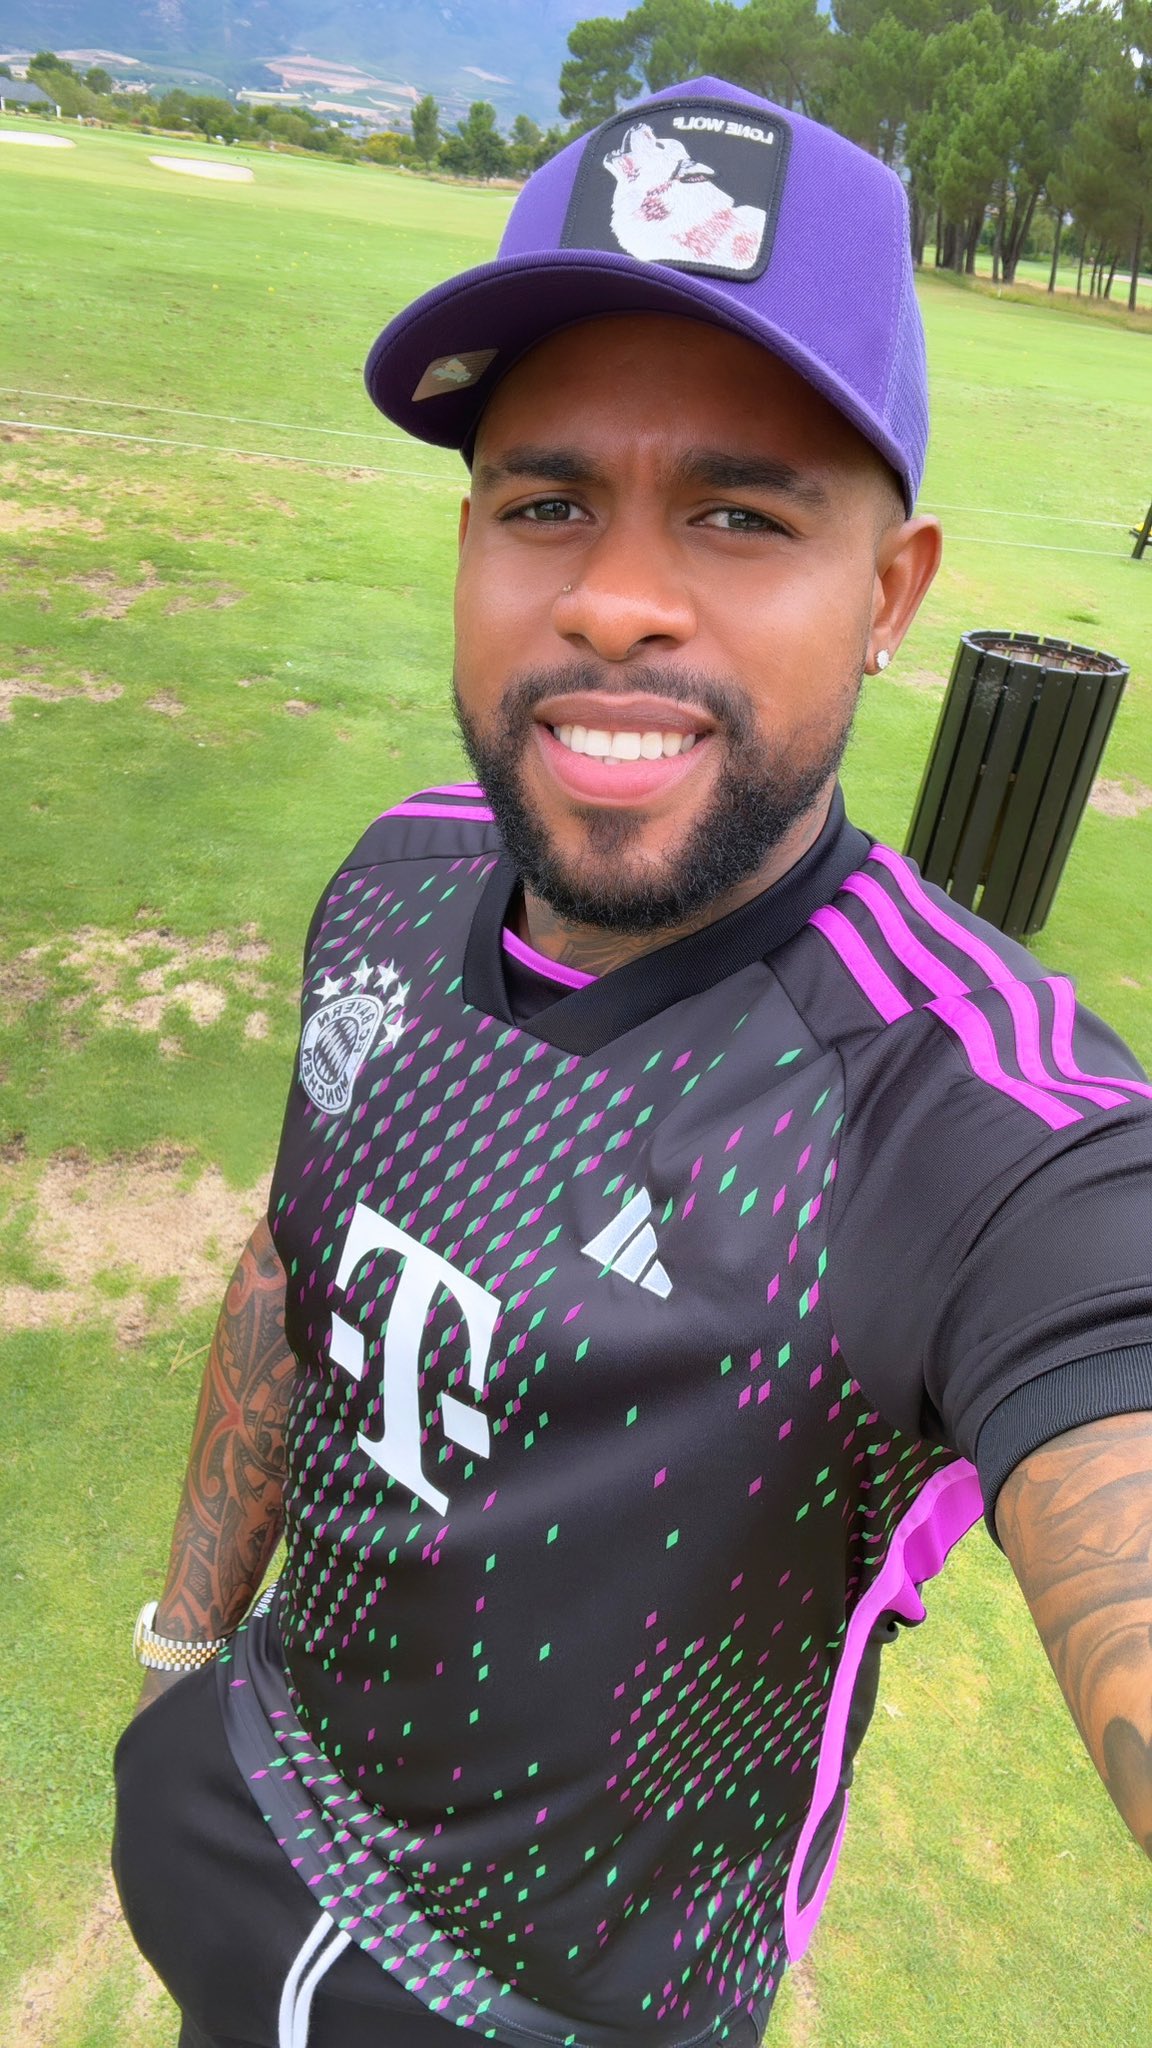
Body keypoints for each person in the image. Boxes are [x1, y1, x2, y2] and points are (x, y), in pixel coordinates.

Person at [113, 76, 1152, 2048]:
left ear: (891, 594)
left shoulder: (956, 1118)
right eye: (547, 502)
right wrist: (182, 1644)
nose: (611, 600)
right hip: (239, 1844)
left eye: (742, 514)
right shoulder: (399, 874)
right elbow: (290, 1267)